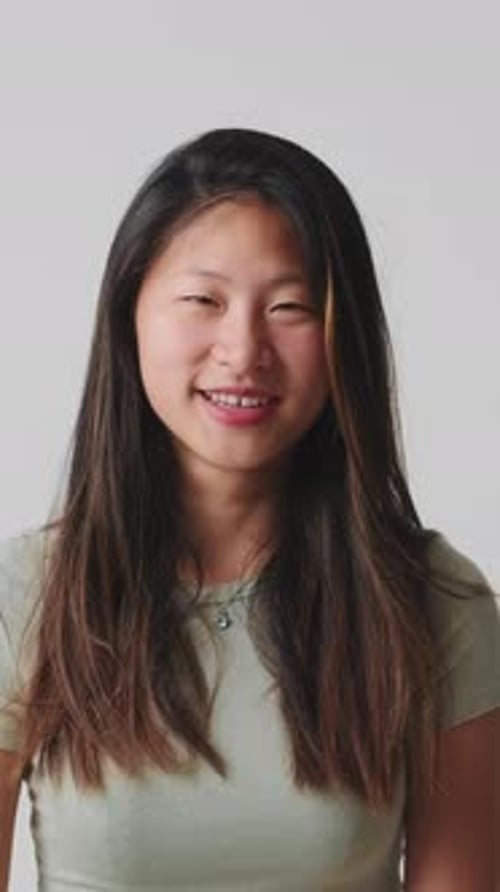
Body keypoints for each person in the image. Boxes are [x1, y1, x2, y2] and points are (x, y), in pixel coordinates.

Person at [0, 128, 498, 892]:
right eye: (203, 299)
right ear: (131, 309)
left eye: (291, 306)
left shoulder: (432, 602)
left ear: (345, 335)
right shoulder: (27, 595)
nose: (243, 349)